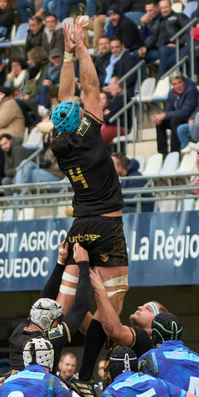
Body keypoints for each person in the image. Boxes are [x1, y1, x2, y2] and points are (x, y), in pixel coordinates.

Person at [47, 19, 130, 322]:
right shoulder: (91, 136)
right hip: (107, 226)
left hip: (79, 227)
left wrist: (68, 56)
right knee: (112, 309)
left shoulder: (58, 142)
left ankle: (49, 356)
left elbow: (64, 98)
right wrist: (81, 46)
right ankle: (108, 362)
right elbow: (91, 87)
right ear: (78, 118)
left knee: (63, 309)